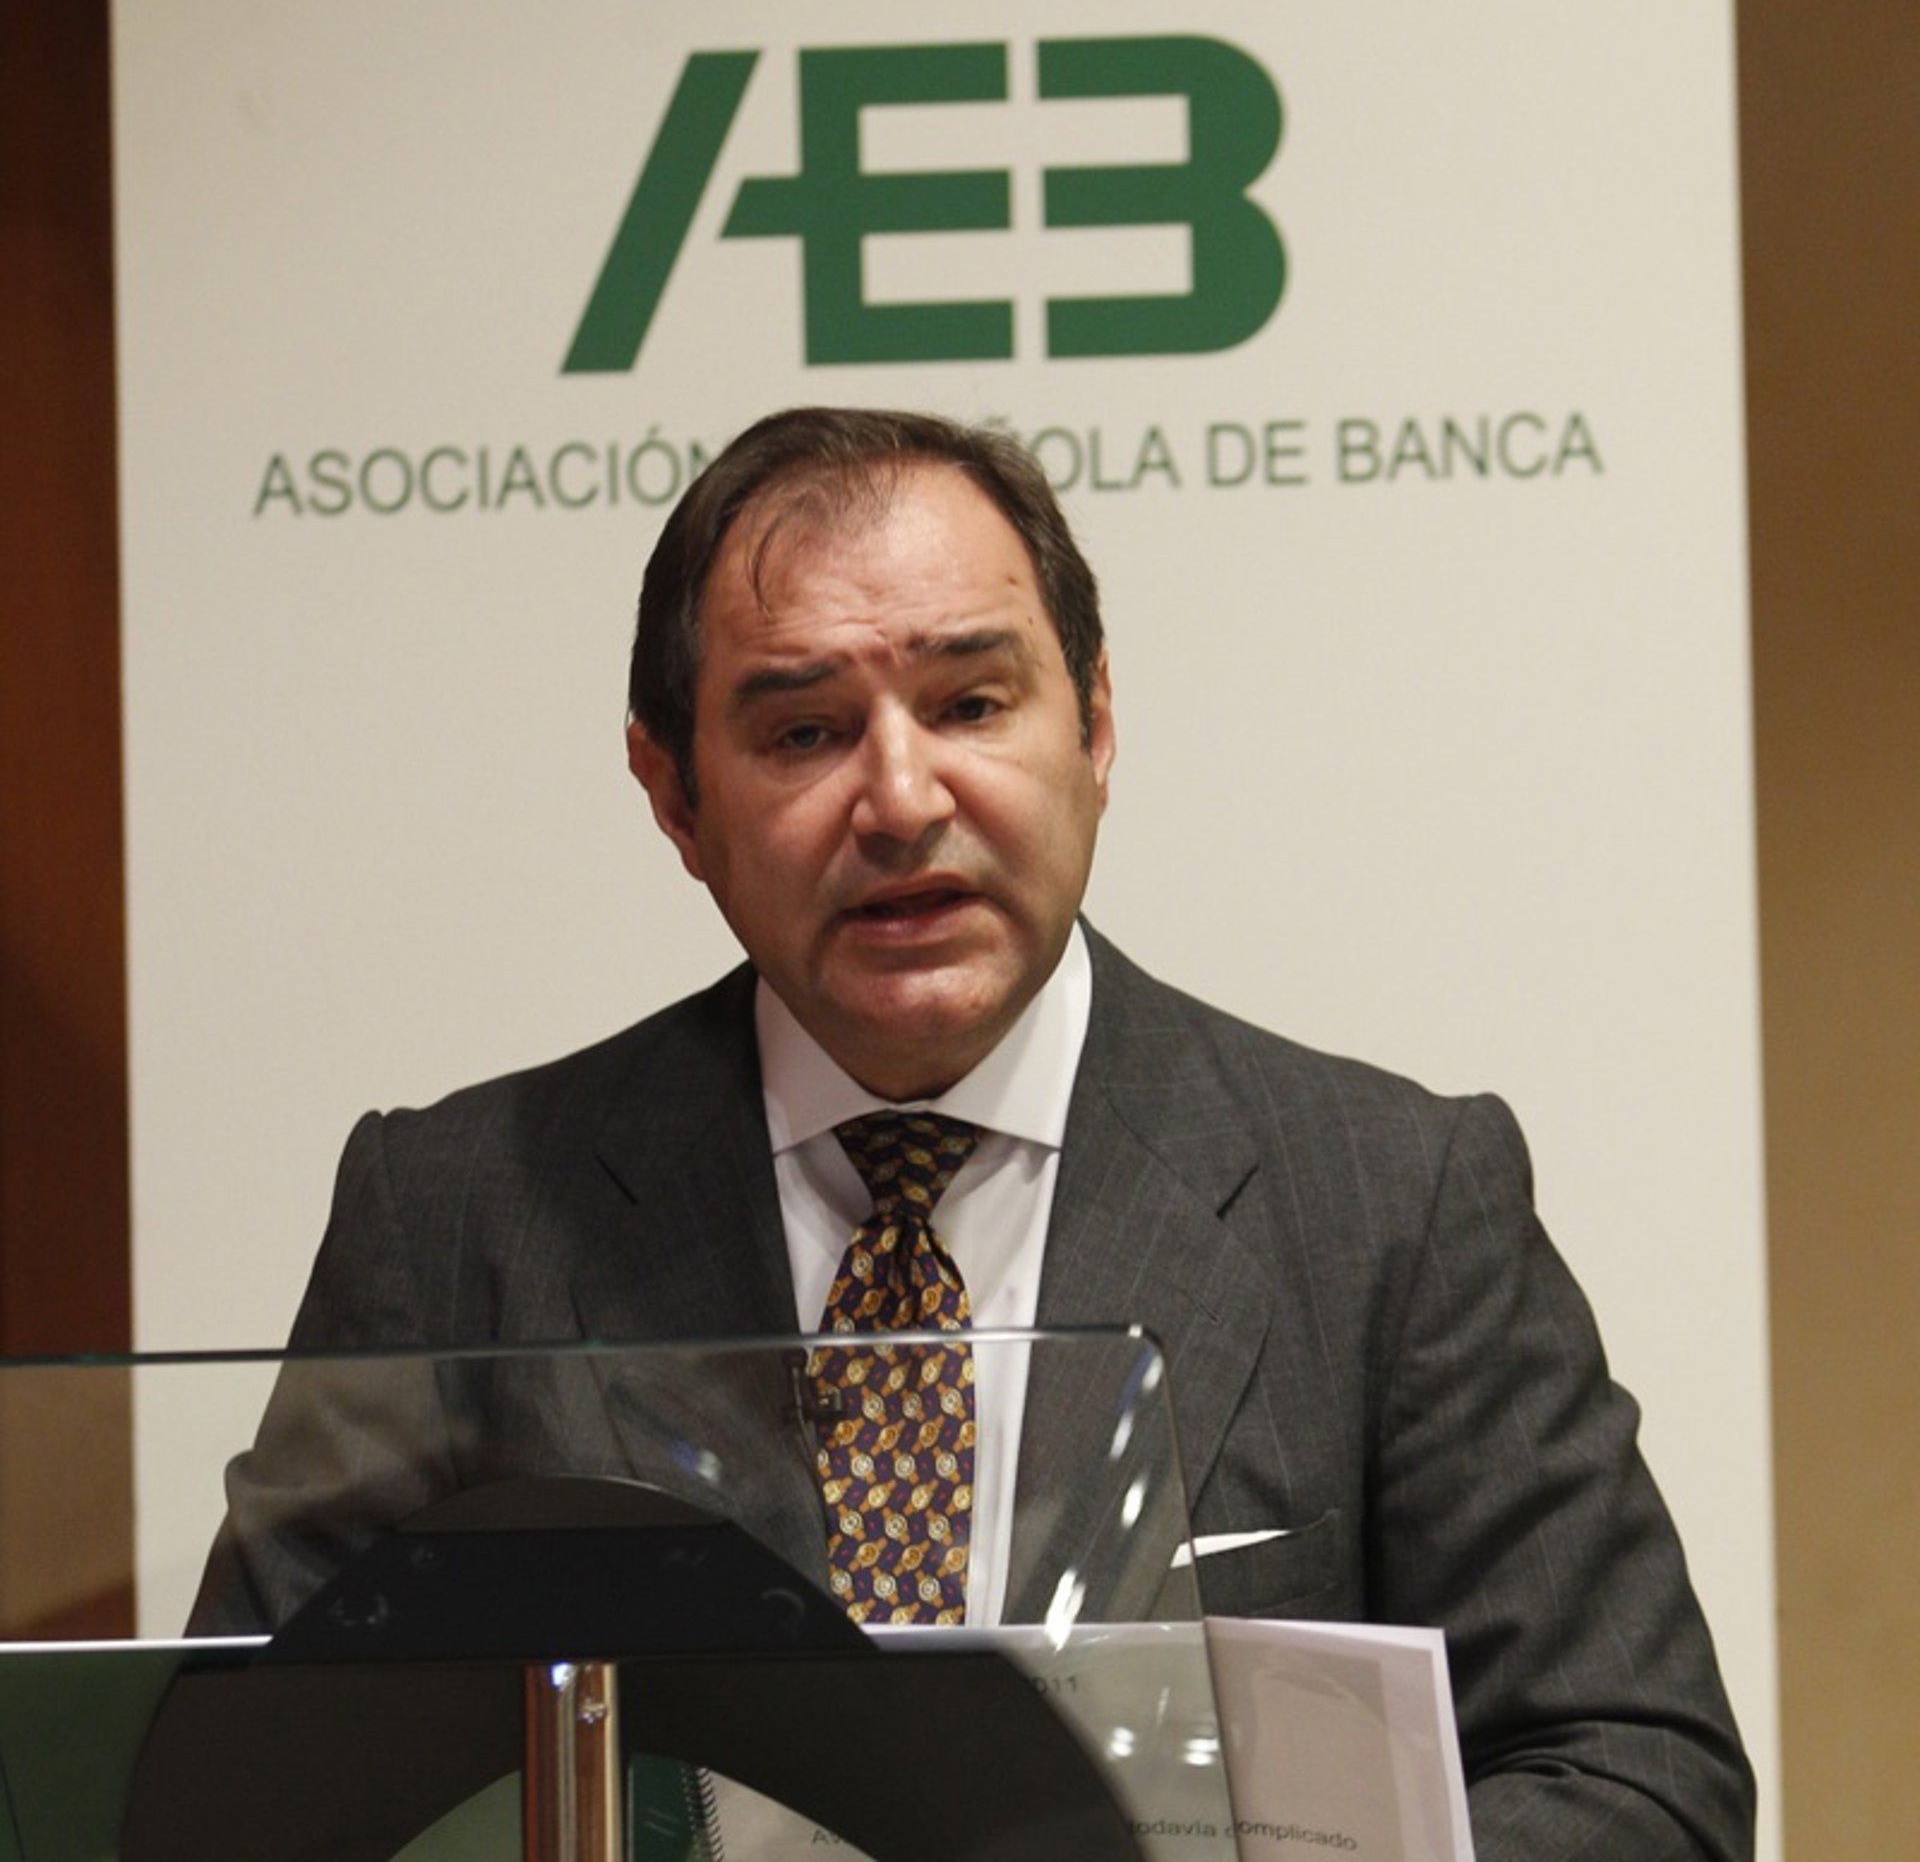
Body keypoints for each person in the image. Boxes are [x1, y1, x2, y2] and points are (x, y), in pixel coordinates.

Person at [202, 407, 1753, 1859]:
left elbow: (1637, 1771)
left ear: (1095, 724)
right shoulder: (457, 1217)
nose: (900, 798)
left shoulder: (1389, 1202)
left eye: (971, 704)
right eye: (804, 731)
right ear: (675, 797)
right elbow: (233, 1788)